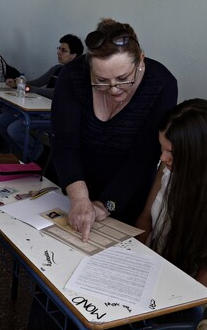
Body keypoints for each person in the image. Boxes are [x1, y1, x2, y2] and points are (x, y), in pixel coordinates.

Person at [51, 18, 177, 242]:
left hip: (126, 192)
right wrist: (80, 199)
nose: (113, 89)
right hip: (72, 184)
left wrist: (105, 204)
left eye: (123, 79)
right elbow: (65, 143)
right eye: (100, 80)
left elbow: (143, 158)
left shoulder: (161, 83)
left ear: (140, 61)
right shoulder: (72, 75)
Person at [135, 99, 207, 293]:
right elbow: (145, 218)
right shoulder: (169, 168)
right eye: (162, 148)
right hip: (145, 270)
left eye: (171, 152)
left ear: (201, 154)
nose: (163, 157)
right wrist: (127, 258)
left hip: (178, 293)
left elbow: (204, 288)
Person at [0, 34, 83, 162]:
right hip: (39, 110)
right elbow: (37, 82)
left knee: (14, 129)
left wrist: (29, 89)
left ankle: (39, 155)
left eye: (63, 50)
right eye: (59, 48)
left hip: (56, 115)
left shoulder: (77, 74)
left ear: (73, 55)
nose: (58, 52)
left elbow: (56, 93)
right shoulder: (57, 69)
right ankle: (16, 155)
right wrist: (19, 83)